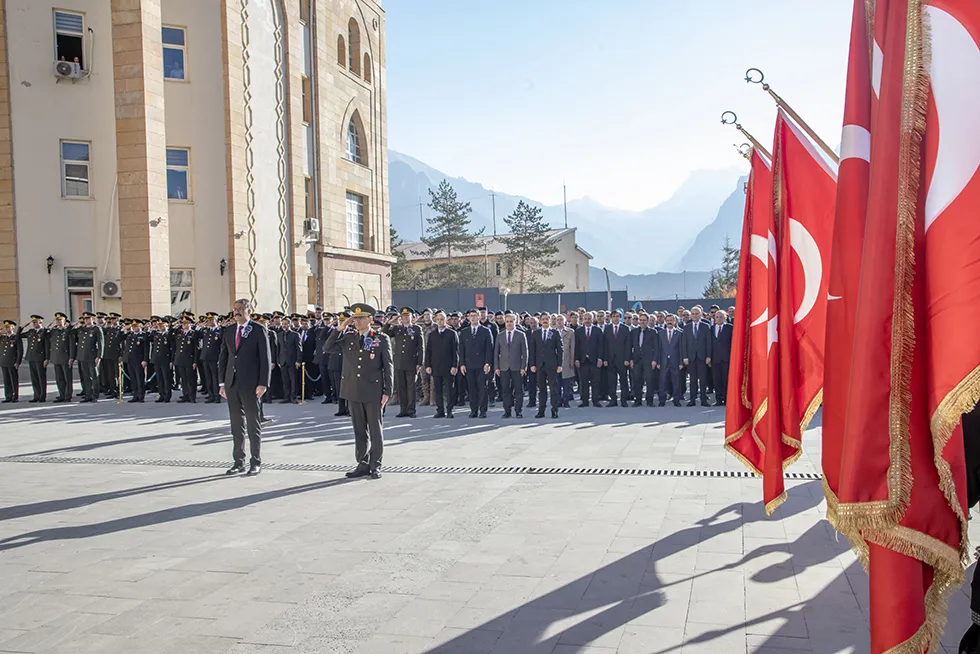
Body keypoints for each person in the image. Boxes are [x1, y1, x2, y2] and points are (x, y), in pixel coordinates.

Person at [324, 303, 393, 480]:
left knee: (375, 430)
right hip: (352, 390)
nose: (357, 321)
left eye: (360, 318)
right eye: (354, 318)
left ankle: (376, 464)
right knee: (359, 430)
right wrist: (341, 327)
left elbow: (388, 366)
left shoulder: (380, 338)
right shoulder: (348, 337)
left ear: (370, 319)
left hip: (372, 390)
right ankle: (362, 463)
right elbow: (327, 348)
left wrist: (387, 391)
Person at [219, 298, 271, 476]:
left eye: (241, 309)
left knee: (252, 424)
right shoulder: (229, 330)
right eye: (235, 309)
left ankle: (255, 461)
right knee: (236, 425)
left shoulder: (258, 330)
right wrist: (222, 383)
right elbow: (224, 358)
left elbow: (265, 358)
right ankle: (238, 461)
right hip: (232, 384)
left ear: (250, 310)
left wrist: (263, 383)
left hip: (251, 385)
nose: (237, 312)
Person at [383, 307, 424, 418]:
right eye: (403, 316)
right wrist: (389, 322)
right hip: (399, 362)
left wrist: (419, 362)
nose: (405, 318)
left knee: (411, 387)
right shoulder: (397, 329)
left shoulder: (416, 329)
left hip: (411, 362)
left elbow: (421, 347)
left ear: (411, 317)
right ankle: (403, 409)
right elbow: (384, 333)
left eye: (407, 316)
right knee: (401, 387)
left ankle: (411, 410)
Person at [458, 308, 494, 419]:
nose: (473, 318)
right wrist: (462, 364)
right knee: (471, 388)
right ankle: (473, 410)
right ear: (468, 318)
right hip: (469, 365)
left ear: (479, 317)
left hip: (482, 364)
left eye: (475, 315)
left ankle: (483, 410)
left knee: (482, 387)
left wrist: (488, 363)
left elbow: (489, 348)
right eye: (471, 316)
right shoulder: (464, 332)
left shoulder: (485, 330)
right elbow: (461, 349)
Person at [424, 310, 459, 419]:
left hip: (449, 367)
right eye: (438, 319)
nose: (440, 321)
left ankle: (449, 410)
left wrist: (455, 366)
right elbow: (428, 351)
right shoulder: (432, 335)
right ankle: (440, 410)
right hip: (436, 366)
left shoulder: (452, 333)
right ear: (435, 320)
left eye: (442, 319)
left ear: (446, 320)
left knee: (449, 390)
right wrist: (428, 365)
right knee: (437, 390)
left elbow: (456, 351)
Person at [494, 311, 528, 419]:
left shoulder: (521, 335)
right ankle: (507, 411)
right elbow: (496, 352)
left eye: (511, 321)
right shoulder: (500, 335)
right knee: (505, 390)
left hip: (517, 367)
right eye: (507, 321)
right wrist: (496, 367)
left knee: (518, 390)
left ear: (515, 322)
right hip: (503, 367)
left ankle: (518, 411)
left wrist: (523, 367)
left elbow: (525, 352)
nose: (509, 323)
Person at [529, 313, 563, 419]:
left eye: (546, 319)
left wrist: (560, 364)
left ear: (550, 320)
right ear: (540, 321)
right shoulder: (536, 333)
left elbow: (560, 349)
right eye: (542, 319)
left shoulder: (555, 332)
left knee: (553, 389)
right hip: (539, 365)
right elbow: (532, 350)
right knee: (541, 389)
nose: (544, 321)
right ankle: (541, 411)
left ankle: (554, 410)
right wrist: (532, 364)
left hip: (552, 365)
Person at [681, 306, 712, 407]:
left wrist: (708, 356)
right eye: (693, 314)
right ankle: (692, 399)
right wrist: (685, 357)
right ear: (691, 315)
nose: (694, 316)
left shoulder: (705, 326)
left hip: (702, 357)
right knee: (692, 380)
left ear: (701, 314)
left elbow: (708, 343)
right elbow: (684, 344)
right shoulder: (686, 327)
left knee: (703, 379)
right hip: (691, 358)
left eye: (697, 314)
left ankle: (703, 399)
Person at [603, 309, 632, 407]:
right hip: (610, 359)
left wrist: (627, 359)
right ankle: (613, 400)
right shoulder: (607, 329)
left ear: (621, 318)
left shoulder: (625, 328)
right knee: (612, 381)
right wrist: (605, 359)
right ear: (611, 318)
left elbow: (628, 345)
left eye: (617, 316)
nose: (615, 318)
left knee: (623, 380)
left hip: (622, 359)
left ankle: (624, 400)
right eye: (614, 316)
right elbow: (605, 345)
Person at [630, 313, 660, 407]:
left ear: (647, 321)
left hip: (649, 360)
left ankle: (649, 400)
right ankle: (637, 400)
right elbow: (629, 347)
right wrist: (630, 359)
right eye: (641, 320)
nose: (642, 322)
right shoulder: (634, 332)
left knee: (650, 380)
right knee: (637, 380)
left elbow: (656, 347)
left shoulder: (653, 332)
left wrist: (655, 360)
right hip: (636, 360)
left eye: (644, 320)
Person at [575, 311, 604, 407]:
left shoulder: (598, 330)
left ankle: (596, 400)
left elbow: (601, 346)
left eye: (589, 319)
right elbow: (577, 346)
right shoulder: (579, 331)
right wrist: (577, 359)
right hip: (583, 360)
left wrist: (600, 358)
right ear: (583, 319)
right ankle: (585, 401)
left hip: (595, 360)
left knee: (596, 382)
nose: (587, 321)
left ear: (593, 319)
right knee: (584, 382)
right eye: (585, 319)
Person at [19, 315, 49, 403]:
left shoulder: (44, 332)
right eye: (33, 322)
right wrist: (22, 327)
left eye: (35, 322)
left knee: (41, 377)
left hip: (40, 358)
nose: (34, 324)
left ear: (40, 322)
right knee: (34, 378)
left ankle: (42, 396)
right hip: (31, 357)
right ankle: (36, 395)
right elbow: (18, 336)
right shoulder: (30, 332)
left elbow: (47, 346)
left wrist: (46, 358)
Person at [75, 312, 104, 403]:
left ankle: (95, 395)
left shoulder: (96, 329)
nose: (86, 320)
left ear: (93, 319)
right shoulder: (81, 329)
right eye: (85, 319)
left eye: (88, 318)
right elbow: (70, 333)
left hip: (92, 356)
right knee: (86, 376)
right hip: (82, 356)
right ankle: (88, 394)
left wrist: (99, 356)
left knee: (94, 376)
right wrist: (75, 324)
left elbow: (100, 343)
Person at [657, 314, 684, 407]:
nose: (669, 322)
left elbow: (681, 349)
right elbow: (658, 349)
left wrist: (681, 362)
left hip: (675, 361)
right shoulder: (660, 333)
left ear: (675, 321)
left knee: (676, 381)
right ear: (665, 321)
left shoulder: (680, 333)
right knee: (662, 381)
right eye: (667, 320)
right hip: (663, 361)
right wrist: (658, 361)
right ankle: (662, 400)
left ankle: (676, 400)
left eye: (671, 320)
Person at [49, 312, 75, 402]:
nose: (58, 322)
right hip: (56, 357)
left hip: (65, 357)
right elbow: (45, 335)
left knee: (67, 378)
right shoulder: (54, 331)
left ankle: (68, 396)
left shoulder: (68, 331)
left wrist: (71, 357)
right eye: (57, 320)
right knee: (59, 378)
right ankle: (62, 395)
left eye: (60, 320)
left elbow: (71, 345)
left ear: (64, 321)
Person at [122, 319, 150, 402]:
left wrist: (145, 360)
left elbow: (146, 349)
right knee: (133, 378)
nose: (134, 328)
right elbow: (119, 337)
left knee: (140, 378)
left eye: (136, 326)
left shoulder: (143, 336)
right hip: (130, 359)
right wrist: (124, 329)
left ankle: (141, 396)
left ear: (140, 326)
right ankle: (135, 395)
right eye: (133, 326)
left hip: (139, 360)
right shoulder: (130, 335)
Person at [710, 310, 733, 406]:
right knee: (716, 379)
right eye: (717, 317)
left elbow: (732, 343)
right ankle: (718, 399)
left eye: (721, 317)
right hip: (715, 359)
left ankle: (727, 399)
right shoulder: (711, 328)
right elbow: (709, 344)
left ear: (725, 317)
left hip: (726, 358)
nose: (719, 318)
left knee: (726, 379)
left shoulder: (730, 328)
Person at [277, 315, 302, 404]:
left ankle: (293, 397)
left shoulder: (295, 335)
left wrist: (298, 360)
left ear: (290, 324)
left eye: (286, 324)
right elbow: (278, 349)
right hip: (283, 360)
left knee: (293, 380)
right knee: (285, 380)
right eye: (283, 324)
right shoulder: (279, 335)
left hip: (292, 360)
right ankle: (286, 396)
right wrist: (278, 361)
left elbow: (299, 348)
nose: (284, 325)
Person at [174, 316, 199, 403]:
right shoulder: (179, 333)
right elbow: (170, 336)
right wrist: (175, 326)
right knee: (183, 379)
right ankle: (186, 395)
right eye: (183, 323)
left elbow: (196, 348)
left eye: (185, 323)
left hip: (189, 359)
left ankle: (192, 396)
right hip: (180, 359)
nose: (183, 325)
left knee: (191, 379)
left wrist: (195, 361)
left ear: (190, 324)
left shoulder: (193, 333)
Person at [150, 317, 174, 403]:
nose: (159, 327)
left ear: (166, 325)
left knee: (166, 378)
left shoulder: (169, 335)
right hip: (157, 359)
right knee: (159, 378)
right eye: (159, 326)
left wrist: (171, 360)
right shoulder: (157, 335)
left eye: (162, 325)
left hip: (165, 359)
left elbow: (172, 348)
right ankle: (161, 394)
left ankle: (167, 395)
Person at [200, 313, 223, 404]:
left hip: (215, 357)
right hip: (205, 357)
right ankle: (211, 395)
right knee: (208, 377)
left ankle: (217, 396)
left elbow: (222, 346)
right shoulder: (205, 331)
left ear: (216, 320)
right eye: (208, 320)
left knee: (215, 377)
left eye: (211, 320)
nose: (209, 322)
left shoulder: (220, 331)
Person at [556, 314, 576, 408]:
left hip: (566, 360)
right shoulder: (553, 331)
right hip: (555, 361)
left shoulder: (570, 332)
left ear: (564, 321)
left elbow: (572, 348)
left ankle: (566, 400)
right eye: (557, 320)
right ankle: (558, 400)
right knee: (557, 383)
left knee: (566, 383)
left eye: (561, 320)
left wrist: (572, 362)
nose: (559, 321)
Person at [0, 320, 22, 402]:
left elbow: (20, 350)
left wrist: (18, 361)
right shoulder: (3, 337)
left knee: (13, 379)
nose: (6, 329)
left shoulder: (15, 337)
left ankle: (15, 396)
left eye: (8, 327)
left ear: (13, 327)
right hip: (3, 361)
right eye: (5, 327)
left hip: (12, 361)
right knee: (6, 380)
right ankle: (8, 396)